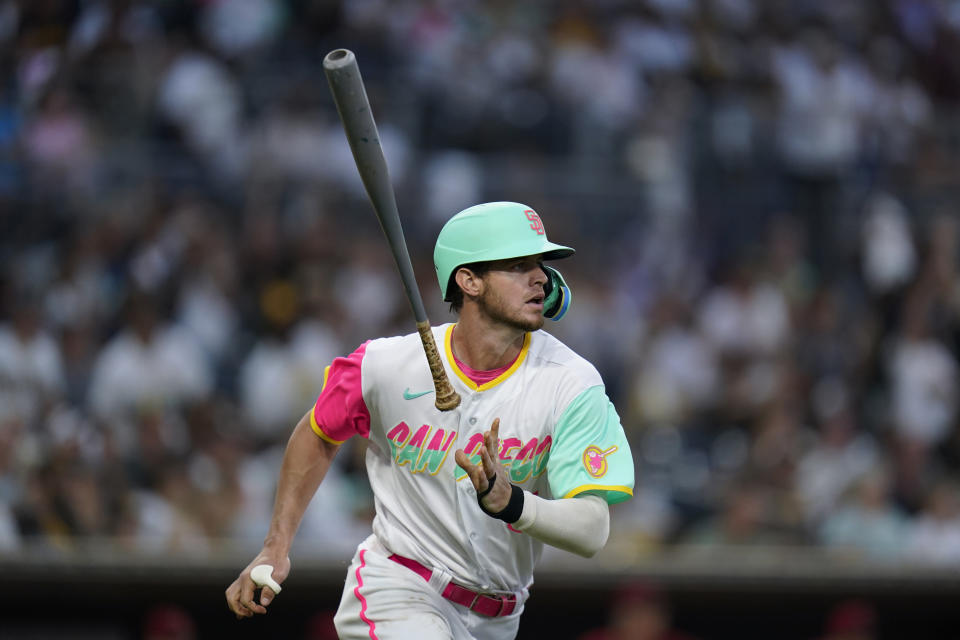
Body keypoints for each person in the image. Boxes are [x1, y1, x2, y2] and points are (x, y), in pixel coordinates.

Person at [225, 201, 635, 639]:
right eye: (518, 265)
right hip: (399, 585)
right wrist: (276, 545)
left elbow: (592, 530)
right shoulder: (384, 364)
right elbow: (317, 433)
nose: (541, 278)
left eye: (540, 265)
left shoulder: (571, 383)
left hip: (500, 616)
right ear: (469, 280)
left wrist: (512, 502)